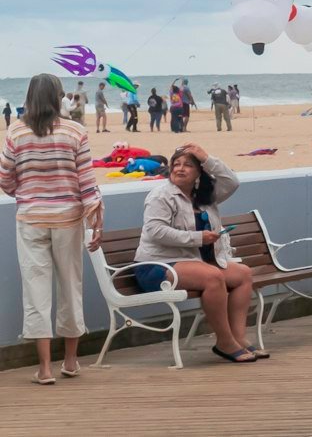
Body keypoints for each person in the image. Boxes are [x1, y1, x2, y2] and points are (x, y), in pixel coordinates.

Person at [1, 73, 104, 384]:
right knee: (70, 286)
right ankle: (71, 362)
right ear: (60, 96)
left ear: (29, 96)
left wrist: (28, 192)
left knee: (36, 291)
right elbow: (86, 181)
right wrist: (95, 220)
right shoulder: (75, 131)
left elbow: (5, 179)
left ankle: (44, 368)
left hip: (31, 220)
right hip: (69, 219)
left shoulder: (15, 132)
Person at [134, 144, 262, 361]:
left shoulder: (203, 195)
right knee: (213, 277)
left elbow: (232, 182)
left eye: (188, 165)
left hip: (194, 262)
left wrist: (206, 157)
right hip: (157, 266)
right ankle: (225, 342)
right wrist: (198, 238)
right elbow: (155, 232)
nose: (180, 169)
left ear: (198, 172)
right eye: (176, 164)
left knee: (243, 274)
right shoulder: (161, 196)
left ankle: (239, 338)